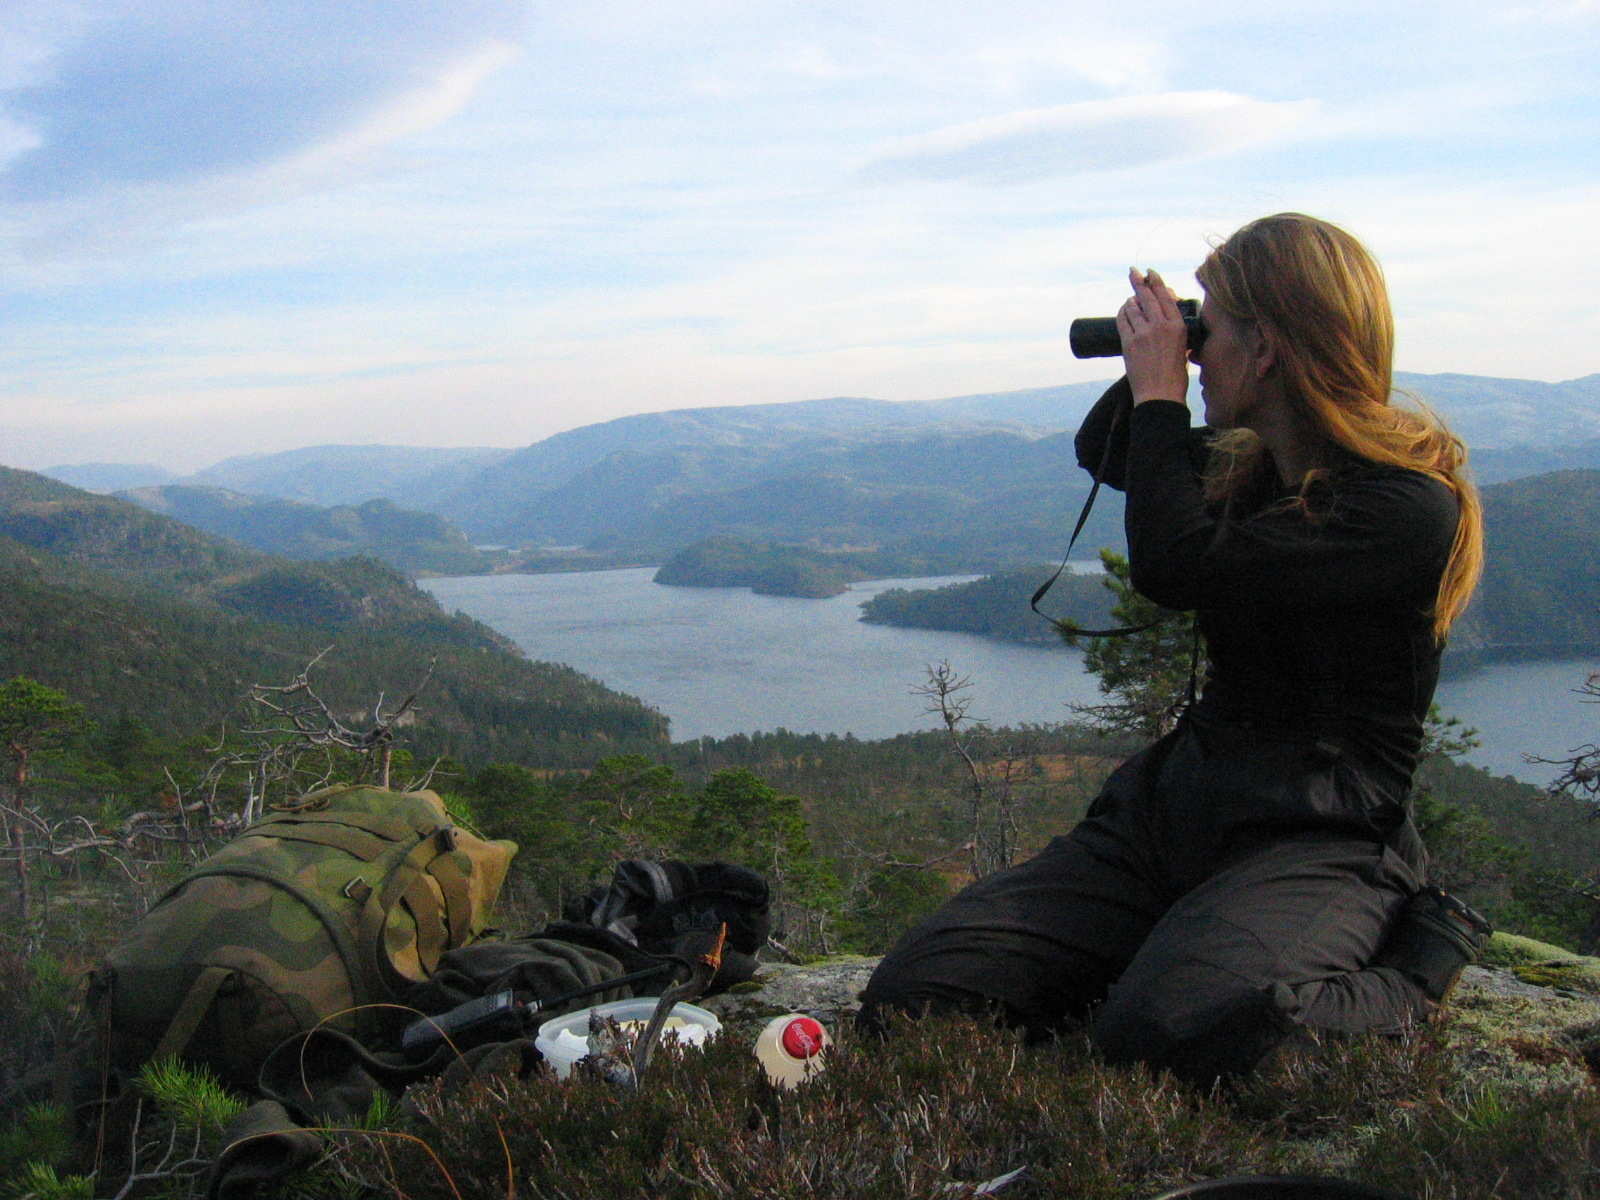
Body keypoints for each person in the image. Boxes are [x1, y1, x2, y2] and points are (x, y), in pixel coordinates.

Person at [858, 213, 1490, 1086]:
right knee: (918, 998)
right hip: (1176, 815)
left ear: (1267, 347)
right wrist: (1152, 365)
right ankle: (1172, 950)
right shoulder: (1249, 466)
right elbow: (1107, 449)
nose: (1196, 353)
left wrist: (1160, 390)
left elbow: (1174, 564)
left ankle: (1417, 969)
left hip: (1317, 833)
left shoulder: (1403, 509)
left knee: (1171, 1036)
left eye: (1212, 327)